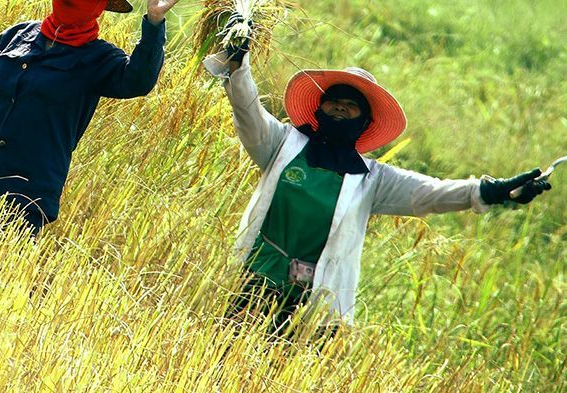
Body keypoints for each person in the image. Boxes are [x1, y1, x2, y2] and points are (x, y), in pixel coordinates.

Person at [203, 15, 552, 332]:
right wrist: (239, 63)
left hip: (313, 310)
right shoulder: (282, 144)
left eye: (351, 104)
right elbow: (247, 111)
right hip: (253, 284)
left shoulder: (371, 179)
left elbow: (430, 193)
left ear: (365, 122)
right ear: (318, 107)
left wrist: (490, 191)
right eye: (334, 99)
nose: (340, 106)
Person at [0, 0, 179, 234]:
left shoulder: (98, 59)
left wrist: (154, 21)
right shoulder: (16, 36)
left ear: (100, 6)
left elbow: (138, 80)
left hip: (22, 202)